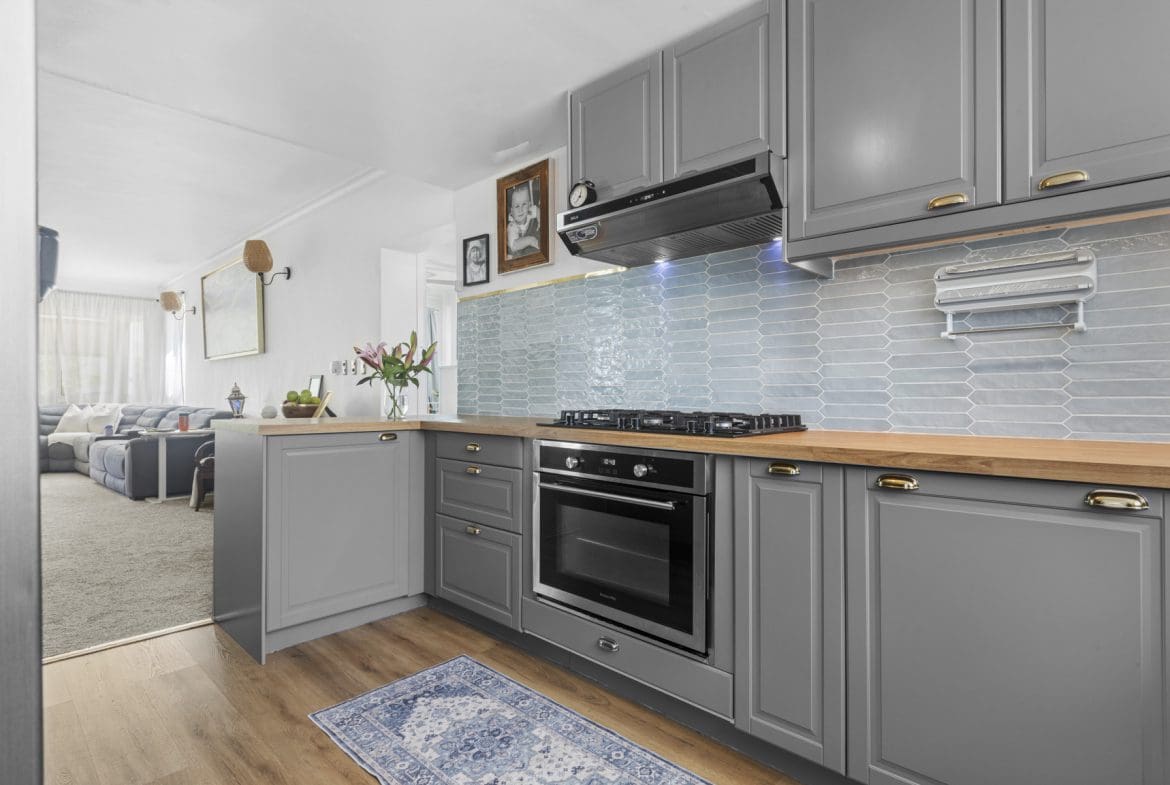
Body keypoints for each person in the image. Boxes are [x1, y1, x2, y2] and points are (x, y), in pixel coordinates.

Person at [506, 180, 541, 258]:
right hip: (513, 247)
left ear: (529, 205)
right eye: (517, 206)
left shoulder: (529, 211)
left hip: (527, 233)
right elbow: (514, 246)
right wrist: (530, 240)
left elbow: (537, 210)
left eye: (524, 204)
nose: (520, 210)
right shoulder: (512, 225)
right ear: (512, 211)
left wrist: (540, 222)